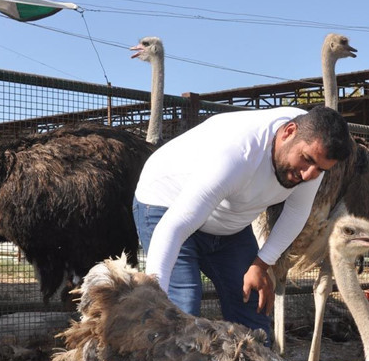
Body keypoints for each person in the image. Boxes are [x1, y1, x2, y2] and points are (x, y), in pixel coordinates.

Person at [132, 105, 352, 344]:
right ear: (288, 132)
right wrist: (154, 298)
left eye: (320, 170)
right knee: (181, 307)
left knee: (253, 310)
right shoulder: (239, 153)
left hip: (229, 225)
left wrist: (261, 264)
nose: (309, 175)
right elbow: (173, 228)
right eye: (307, 161)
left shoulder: (311, 150)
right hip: (167, 204)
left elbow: (297, 212)